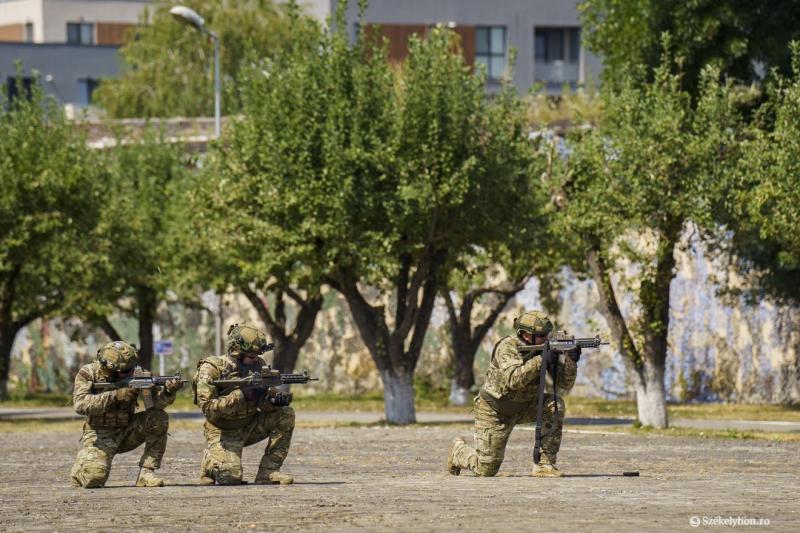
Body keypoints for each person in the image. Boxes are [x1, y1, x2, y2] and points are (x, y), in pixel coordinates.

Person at [447, 310, 580, 477]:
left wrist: (571, 361)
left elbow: (564, 384)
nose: (545, 339)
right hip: (494, 411)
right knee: (486, 469)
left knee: (555, 405)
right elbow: (513, 380)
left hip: (525, 407)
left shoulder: (542, 348)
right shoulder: (508, 347)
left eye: (547, 335)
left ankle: (544, 464)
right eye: (541, 335)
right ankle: (459, 451)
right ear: (525, 334)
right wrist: (541, 360)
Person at [70, 341, 183, 488]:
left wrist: (168, 392)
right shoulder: (88, 373)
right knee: (94, 479)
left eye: (130, 369)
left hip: (127, 431)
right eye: (124, 372)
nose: (129, 373)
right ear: (108, 368)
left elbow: (155, 406)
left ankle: (146, 474)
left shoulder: (138, 374)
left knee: (158, 418)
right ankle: (81, 467)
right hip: (99, 436)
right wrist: (115, 396)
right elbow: (80, 405)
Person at [194, 324, 295, 485]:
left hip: (250, 426)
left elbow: (263, 401)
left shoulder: (257, 365)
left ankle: (268, 472)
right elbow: (208, 409)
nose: (255, 359)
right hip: (223, 431)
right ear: (236, 351)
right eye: (250, 356)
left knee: (286, 413)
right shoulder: (212, 368)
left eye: (257, 355)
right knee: (230, 478)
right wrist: (242, 395)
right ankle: (209, 463)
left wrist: (275, 401)